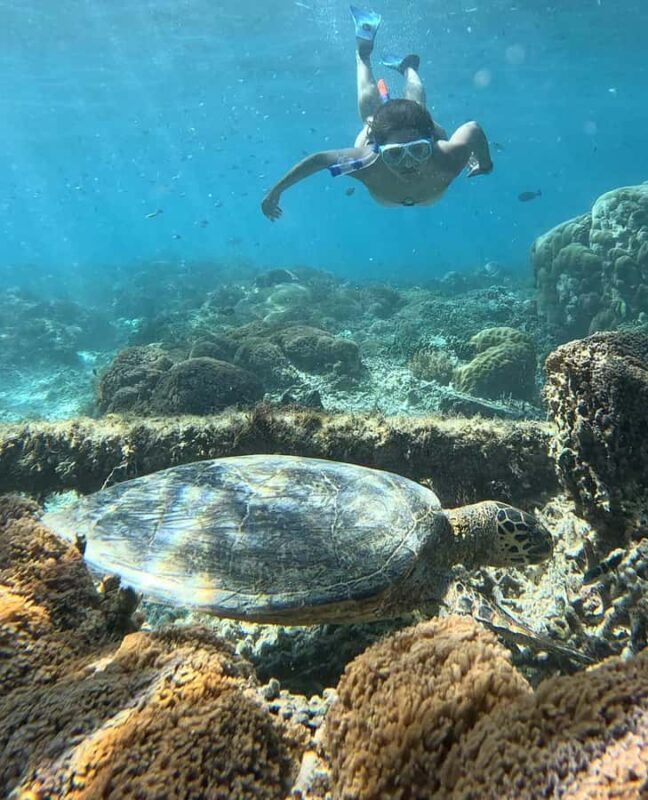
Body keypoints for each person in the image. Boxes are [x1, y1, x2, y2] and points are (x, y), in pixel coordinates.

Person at [261, 5, 493, 220]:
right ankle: (404, 67)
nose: (408, 163)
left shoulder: (446, 156)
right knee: (389, 115)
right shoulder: (367, 161)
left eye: (418, 150)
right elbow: (472, 130)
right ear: (378, 150)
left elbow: (319, 160)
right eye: (394, 154)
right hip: (393, 143)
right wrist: (484, 163)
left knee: (400, 112)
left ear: (431, 142)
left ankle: (374, 57)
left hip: (410, 143)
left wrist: (485, 164)